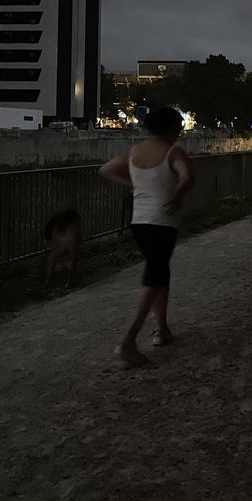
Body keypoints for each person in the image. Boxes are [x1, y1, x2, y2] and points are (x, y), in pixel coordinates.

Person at [100, 107, 194, 367]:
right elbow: (187, 177)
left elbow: (106, 170)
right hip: (163, 222)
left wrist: (135, 184)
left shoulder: (134, 152)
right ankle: (128, 341)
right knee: (154, 278)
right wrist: (178, 195)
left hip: (139, 222)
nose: (180, 132)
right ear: (170, 129)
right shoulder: (173, 152)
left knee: (159, 272)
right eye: (178, 127)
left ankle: (162, 329)